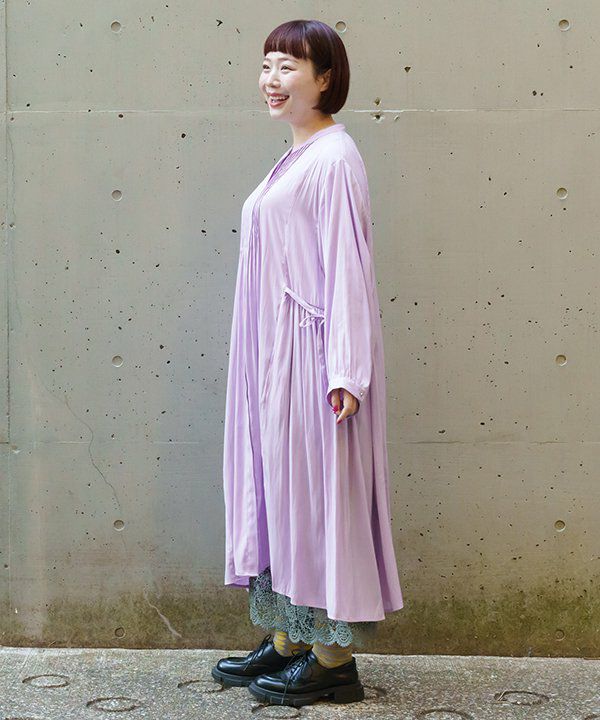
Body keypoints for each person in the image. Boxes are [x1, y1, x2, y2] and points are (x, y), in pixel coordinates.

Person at [211, 19, 404, 707]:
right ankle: (290, 638)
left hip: (311, 360)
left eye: (289, 66)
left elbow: (348, 268)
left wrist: (345, 370)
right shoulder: (296, 157)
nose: (273, 79)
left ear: (325, 79)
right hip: (275, 358)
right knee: (282, 494)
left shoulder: (334, 157)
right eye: (267, 64)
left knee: (317, 499)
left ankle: (332, 660)